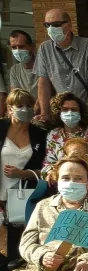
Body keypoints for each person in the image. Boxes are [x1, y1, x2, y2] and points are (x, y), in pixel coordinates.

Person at [0, 89, 47, 260]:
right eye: (19, 105)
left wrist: (23, 173)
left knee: (21, 237)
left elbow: (46, 167)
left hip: (24, 194)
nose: (25, 109)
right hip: (1, 190)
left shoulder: (40, 134)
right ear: (9, 108)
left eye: (29, 105)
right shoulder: (1, 128)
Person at [34, 9, 88, 123]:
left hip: (85, 111)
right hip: (61, 114)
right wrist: (45, 113)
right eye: (47, 25)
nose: (51, 29)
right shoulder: (45, 48)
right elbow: (43, 82)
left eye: (56, 24)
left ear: (69, 25)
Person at [43, 92, 88, 181]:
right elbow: (49, 162)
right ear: (58, 112)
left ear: (80, 112)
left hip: (87, 180)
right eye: (65, 109)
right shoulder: (53, 135)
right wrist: (49, 172)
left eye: (74, 109)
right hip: (62, 181)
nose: (70, 113)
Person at [9, 30, 39, 108]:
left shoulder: (44, 65)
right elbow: (16, 96)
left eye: (21, 46)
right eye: (14, 47)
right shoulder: (15, 70)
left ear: (32, 47)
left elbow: (47, 92)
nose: (17, 50)